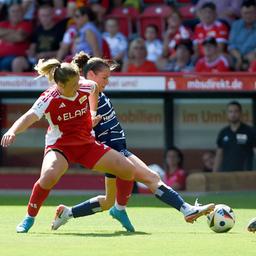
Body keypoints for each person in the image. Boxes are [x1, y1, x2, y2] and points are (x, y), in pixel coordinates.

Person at [1, 56, 215, 234]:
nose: (79, 87)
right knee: (49, 176)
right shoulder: (49, 97)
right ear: (60, 85)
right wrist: (12, 131)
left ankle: (113, 209)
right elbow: (29, 116)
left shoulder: (86, 86)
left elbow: (92, 88)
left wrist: (91, 114)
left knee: (127, 172)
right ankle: (29, 217)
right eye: (74, 85)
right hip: (61, 146)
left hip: (87, 144)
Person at [213, 101, 256, 172]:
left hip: (245, 173)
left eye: (236, 111)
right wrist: (214, 173)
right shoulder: (223, 132)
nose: (233, 114)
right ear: (227, 114)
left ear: (240, 113)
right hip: (227, 173)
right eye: (230, 112)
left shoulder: (250, 131)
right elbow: (219, 155)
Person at [228, 0, 256, 70]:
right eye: (245, 13)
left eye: (251, 13)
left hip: (252, 56)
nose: (248, 16)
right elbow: (231, 45)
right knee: (223, 58)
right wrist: (239, 58)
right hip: (236, 56)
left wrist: (249, 56)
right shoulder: (236, 25)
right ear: (241, 13)